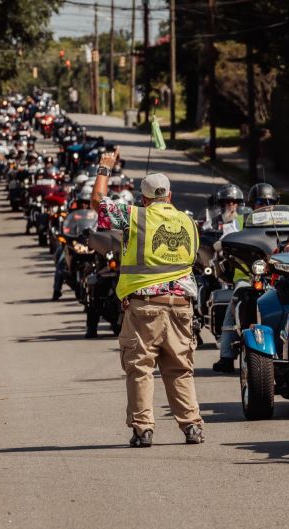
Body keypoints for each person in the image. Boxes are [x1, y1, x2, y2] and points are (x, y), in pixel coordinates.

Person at [94, 150, 205, 447]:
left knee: (141, 367)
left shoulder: (136, 217)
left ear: (143, 198)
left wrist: (104, 169)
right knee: (180, 367)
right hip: (182, 307)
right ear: (170, 196)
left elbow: (98, 204)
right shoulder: (189, 223)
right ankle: (192, 426)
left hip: (145, 308)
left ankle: (143, 430)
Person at [212, 183, 280, 373]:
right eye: (260, 202)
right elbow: (226, 237)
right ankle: (226, 356)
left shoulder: (284, 222)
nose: (265, 205)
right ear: (252, 204)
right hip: (248, 276)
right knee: (235, 302)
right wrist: (223, 243)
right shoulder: (241, 221)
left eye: (269, 201)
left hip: (280, 276)